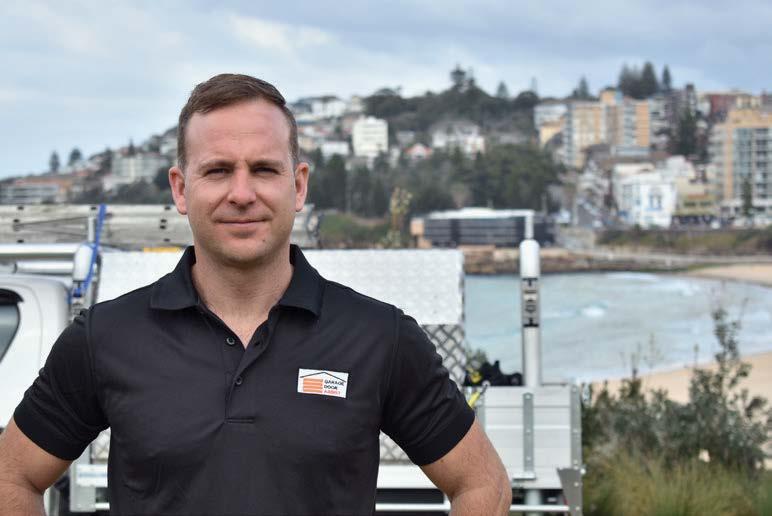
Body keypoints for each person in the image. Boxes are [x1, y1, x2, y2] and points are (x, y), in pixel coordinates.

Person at [0, 74, 510, 515]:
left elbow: (482, 484)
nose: (241, 194)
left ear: (299, 185)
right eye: (218, 170)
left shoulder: (379, 337)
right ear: (180, 189)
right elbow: (12, 478)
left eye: (264, 169)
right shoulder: (107, 336)